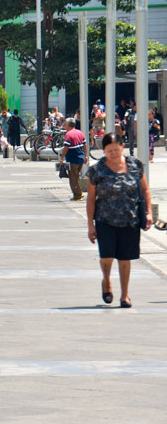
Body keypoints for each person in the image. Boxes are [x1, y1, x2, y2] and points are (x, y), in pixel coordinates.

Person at [86, 133, 152, 308]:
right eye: (109, 151)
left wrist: (149, 213)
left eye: (116, 149)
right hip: (104, 220)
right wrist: (90, 225)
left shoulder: (135, 165)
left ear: (122, 147)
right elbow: (91, 199)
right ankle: (106, 281)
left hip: (130, 219)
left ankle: (125, 295)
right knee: (106, 257)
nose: (114, 153)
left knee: (124, 259)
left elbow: (145, 190)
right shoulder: (96, 170)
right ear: (103, 150)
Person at [59, 118, 88, 201]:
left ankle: (77, 195)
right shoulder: (80, 133)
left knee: (73, 178)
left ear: (68, 125)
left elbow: (66, 147)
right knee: (76, 176)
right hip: (81, 158)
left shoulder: (68, 134)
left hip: (72, 159)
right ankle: (79, 191)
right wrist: (85, 156)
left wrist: (62, 158)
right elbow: (85, 145)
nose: (64, 126)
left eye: (65, 124)